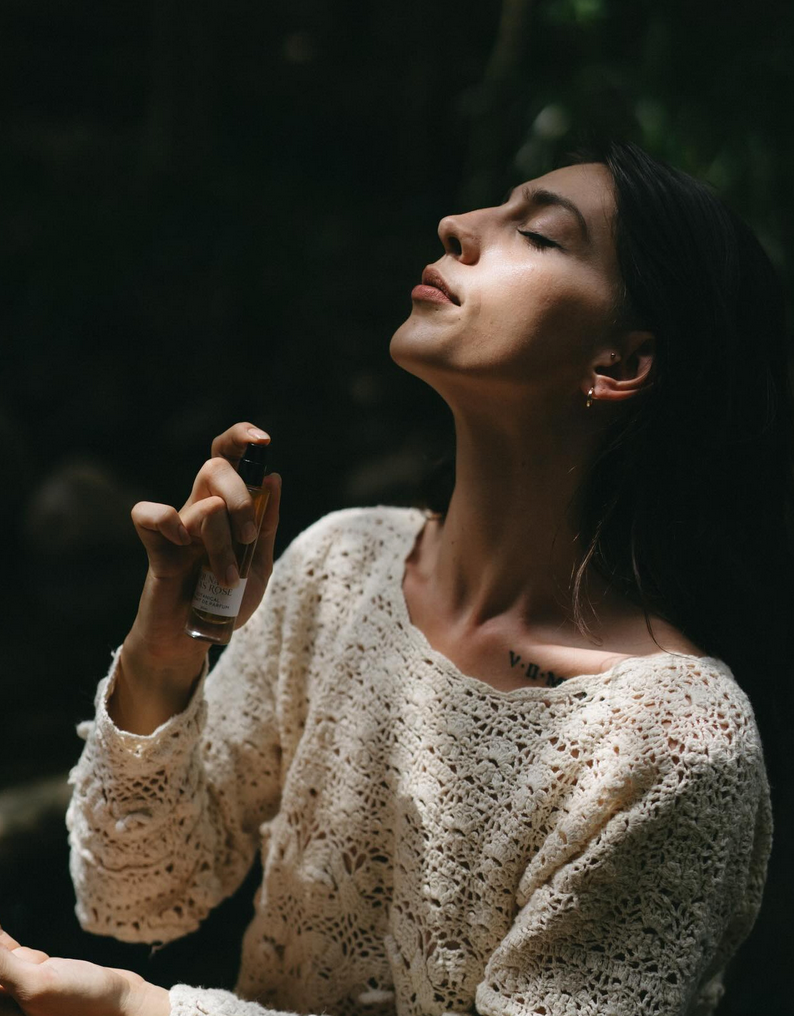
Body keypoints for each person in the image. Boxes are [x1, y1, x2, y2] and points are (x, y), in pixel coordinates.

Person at [1, 140, 788, 1016]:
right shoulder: (346, 565)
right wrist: (162, 656)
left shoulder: (675, 747)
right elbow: (135, 894)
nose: (458, 226)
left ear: (619, 364)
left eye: (540, 234)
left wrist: (136, 1009)